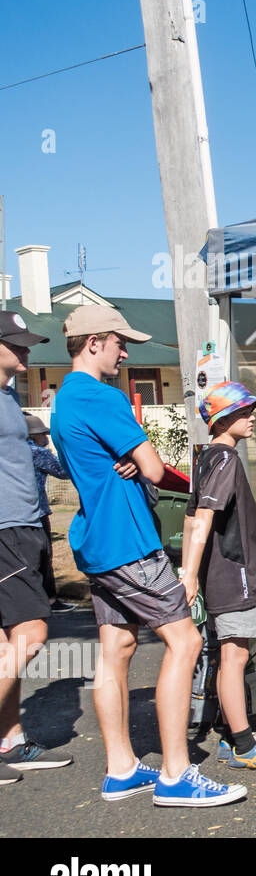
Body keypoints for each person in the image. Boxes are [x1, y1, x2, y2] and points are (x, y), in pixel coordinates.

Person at [51, 304, 245, 806]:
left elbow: (108, 463)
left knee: (115, 650)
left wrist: (133, 464)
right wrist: (148, 465)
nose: (125, 351)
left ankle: (121, 769)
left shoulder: (64, 400)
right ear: (93, 342)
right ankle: (177, 774)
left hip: (95, 542)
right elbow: (157, 470)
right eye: (119, 341)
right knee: (184, 642)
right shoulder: (103, 396)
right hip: (130, 539)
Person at [179, 382, 256, 772]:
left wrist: (190, 570)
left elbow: (191, 514)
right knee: (234, 655)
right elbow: (205, 518)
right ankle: (245, 746)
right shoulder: (225, 460)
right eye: (245, 412)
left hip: (221, 573)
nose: (253, 417)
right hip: (233, 573)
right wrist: (189, 575)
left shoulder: (206, 457)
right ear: (223, 418)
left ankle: (232, 736)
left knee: (229, 653)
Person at [0, 311, 73, 782]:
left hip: (25, 527)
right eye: (17, 343)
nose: (27, 351)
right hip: (7, 530)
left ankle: (10, 740)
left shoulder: (9, 397)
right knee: (32, 634)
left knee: (8, 645)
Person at [24, 413, 76, 613]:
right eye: (42, 433)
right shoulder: (38, 452)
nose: (45, 437)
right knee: (43, 557)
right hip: (37, 512)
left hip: (12, 514)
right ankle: (50, 600)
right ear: (35, 435)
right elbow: (63, 472)